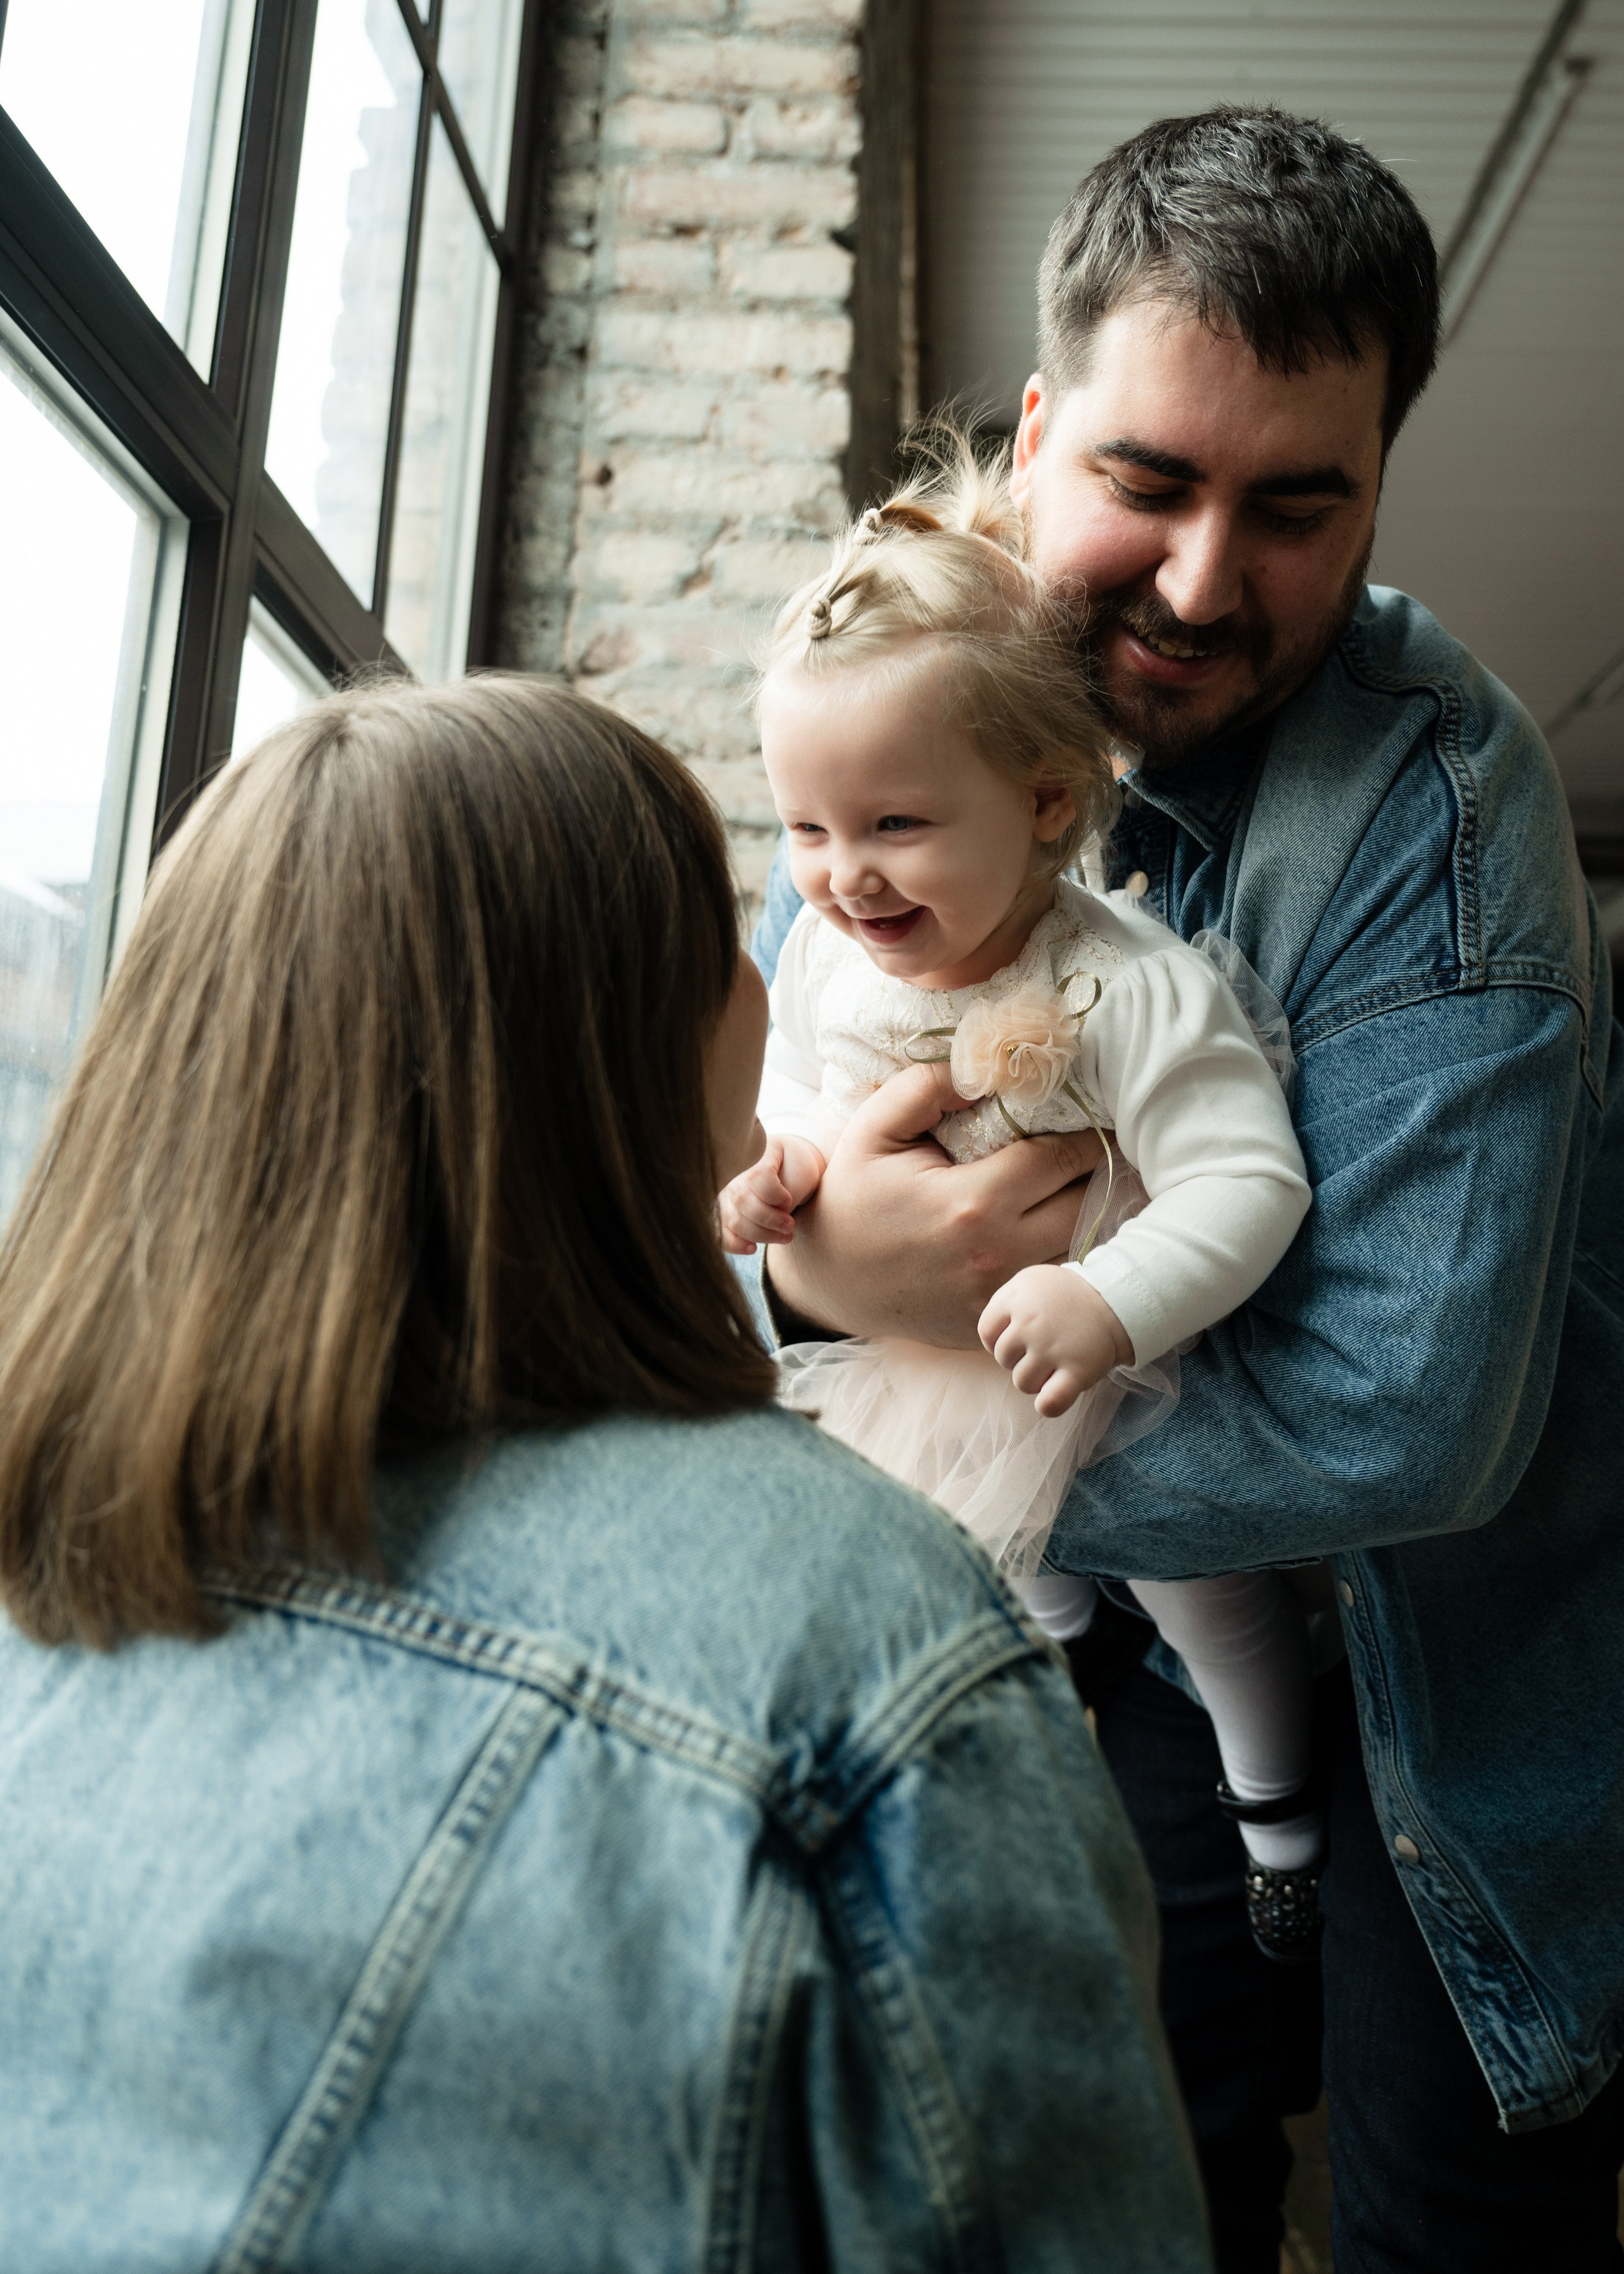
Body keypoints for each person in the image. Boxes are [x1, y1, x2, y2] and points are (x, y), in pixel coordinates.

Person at [0, 678, 1210, 2271]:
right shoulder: (867, 1643)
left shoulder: (50, 1571)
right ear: (611, 1041)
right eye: (728, 915)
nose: (775, 965)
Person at [743, 106, 1624, 2274]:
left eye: (1295, 505)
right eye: (1149, 480)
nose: (1209, 579)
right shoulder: (884, 722)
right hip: (1108, 1654)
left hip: (1455, 1691)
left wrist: (896, 1334)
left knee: (1441, 2224)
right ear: (1040, 433)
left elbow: (1413, 1418)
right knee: (1105, 2193)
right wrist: (797, 1301)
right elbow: (782, 1169)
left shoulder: (1443, 794)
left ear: (1379, 496)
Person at [719, 453, 1328, 1963]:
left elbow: (1249, 1179)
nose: (840, 878)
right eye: (805, 828)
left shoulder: (1126, 984)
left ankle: (1276, 1804)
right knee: (995, 1554)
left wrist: (1109, 1297)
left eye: (893, 828)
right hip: (930, 1354)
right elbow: (795, 1087)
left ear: (1045, 804)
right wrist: (774, 1170)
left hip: (1113, 1336)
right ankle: (1040, 1683)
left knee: (1198, 1586)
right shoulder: (825, 956)